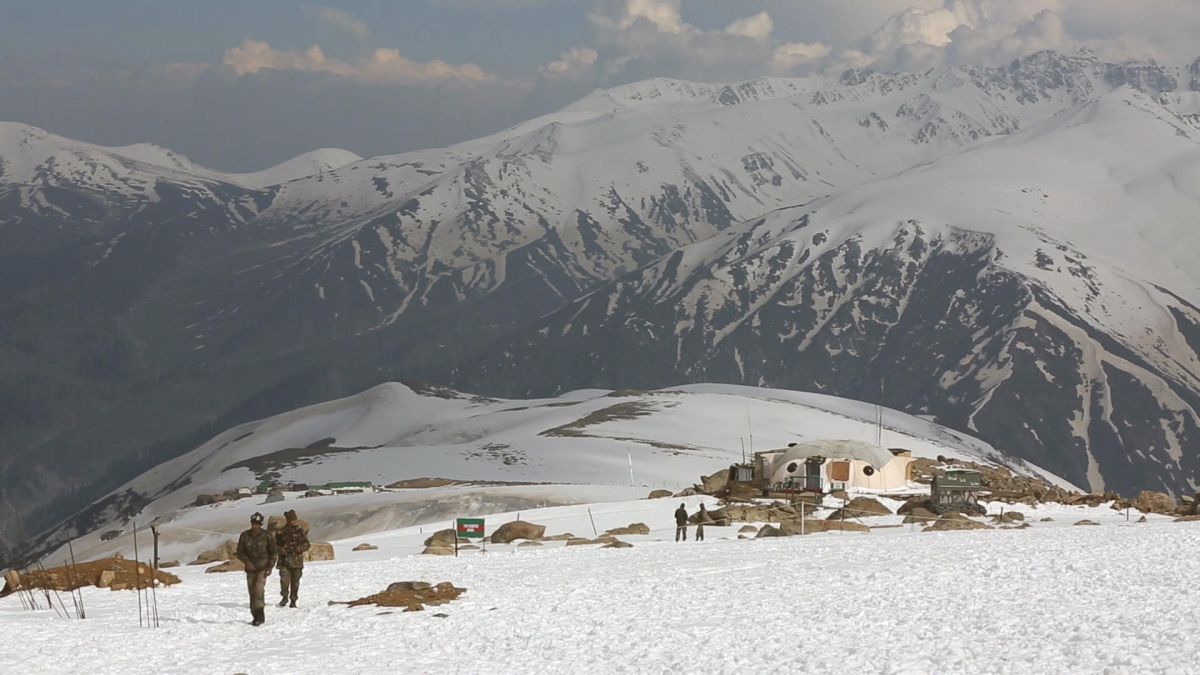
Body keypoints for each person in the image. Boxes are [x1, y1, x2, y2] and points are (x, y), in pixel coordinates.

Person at [236, 512, 278, 626]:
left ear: (261, 524)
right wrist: (247, 562)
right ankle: (254, 614)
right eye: (253, 524)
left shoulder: (267, 535)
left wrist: (270, 567)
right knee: (252, 592)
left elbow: (273, 552)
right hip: (250, 569)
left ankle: (260, 615)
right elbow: (239, 552)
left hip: (262, 568)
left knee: (259, 590)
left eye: (257, 524)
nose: (255, 526)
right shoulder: (245, 535)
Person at [275, 509, 311, 608]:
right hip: (284, 561)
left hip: (296, 561)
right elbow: (274, 545)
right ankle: (284, 597)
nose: (293, 522)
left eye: (294, 520)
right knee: (284, 581)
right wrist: (281, 549)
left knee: (295, 582)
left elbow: (307, 544)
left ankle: (293, 600)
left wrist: (301, 548)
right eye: (291, 520)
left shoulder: (299, 531)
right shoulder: (281, 532)